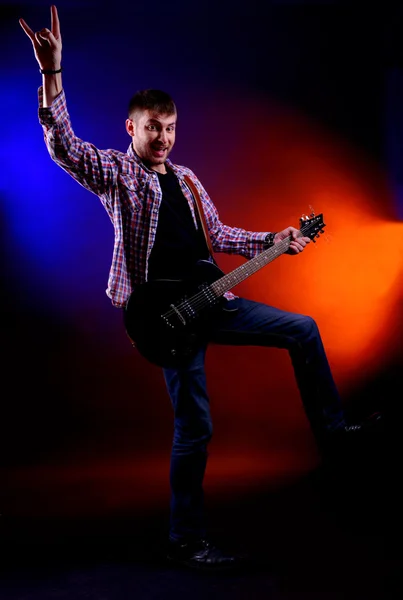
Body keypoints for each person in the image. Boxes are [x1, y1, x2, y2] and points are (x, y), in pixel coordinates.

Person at [20, 5, 380, 571]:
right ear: (131, 128)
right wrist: (53, 72)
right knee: (197, 426)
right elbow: (63, 145)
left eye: (170, 127)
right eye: (151, 127)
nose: (162, 137)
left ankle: (335, 432)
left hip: (212, 300)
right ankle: (185, 539)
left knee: (304, 330)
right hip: (164, 318)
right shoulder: (117, 173)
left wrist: (276, 237)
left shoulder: (187, 180)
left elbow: (219, 234)